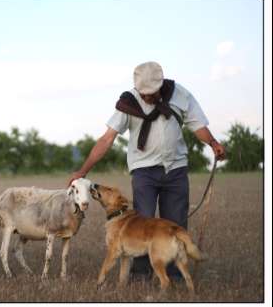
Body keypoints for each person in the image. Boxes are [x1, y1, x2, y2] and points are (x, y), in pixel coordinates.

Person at [68, 61, 226, 279]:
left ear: (161, 85)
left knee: (176, 222)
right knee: (140, 222)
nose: (147, 97)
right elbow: (107, 139)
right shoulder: (129, 102)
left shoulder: (179, 94)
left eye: (152, 93)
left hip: (176, 168)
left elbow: (197, 124)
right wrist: (83, 171)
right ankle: (141, 275)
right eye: (144, 93)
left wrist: (213, 143)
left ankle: (175, 276)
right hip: (144, 171)